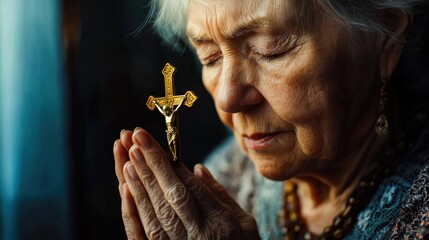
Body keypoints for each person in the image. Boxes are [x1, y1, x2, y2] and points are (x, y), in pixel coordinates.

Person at [113, 0, 429, 239]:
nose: (227, 99)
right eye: (210, 57)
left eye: (270, 50)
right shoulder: (225, 180)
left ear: (384, 41)